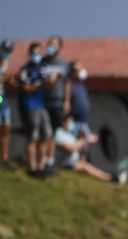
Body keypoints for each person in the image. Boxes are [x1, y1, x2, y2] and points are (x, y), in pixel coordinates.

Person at [19, 42, 53, 177]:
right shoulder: (25, 70)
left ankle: (41, 166)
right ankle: (32, 168)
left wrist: (51, 82)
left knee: (46, 135)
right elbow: (25, 88)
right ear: (29, 54)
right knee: (32, 137)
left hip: (41, 106)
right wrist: (40, 85)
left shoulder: (42, 69)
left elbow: (48, 87)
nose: (36, 56)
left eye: (38, 53)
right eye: (34, 53)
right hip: (30, 106)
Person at [40, 35, 70, 173]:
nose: (50, 46)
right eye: (49, 44)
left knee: (53, 133)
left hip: (57, 103)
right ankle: (41, 162)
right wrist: (49, 82)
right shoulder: (42, 62)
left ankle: (50, 161)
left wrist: (67, 101)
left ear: (59, 47)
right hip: (43, 102)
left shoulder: (64, 65)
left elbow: (67, 84)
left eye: (54, 44)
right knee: (44, 133)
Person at [54, 113, 113, 182]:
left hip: (72, 161)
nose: (72, 124)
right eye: (70, 121)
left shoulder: (68, 133)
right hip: (65, 163)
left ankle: (109, 176)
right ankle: (109, 179)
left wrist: (86, 141)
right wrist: (86, 140)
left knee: (87, 165)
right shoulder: (59, 133)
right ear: (64, 122)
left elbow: (76, 145)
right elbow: (71, 149)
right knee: (86, 167)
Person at [68, 61, 92, 139]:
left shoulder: (81, 85)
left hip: (83, 122)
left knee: (86, 142)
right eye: (79, 70)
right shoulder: (68, 85)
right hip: (73, 122)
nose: (81, 71)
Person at [0, 39, 14, 169]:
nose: (6, 53)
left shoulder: (6, 63)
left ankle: (4, 158)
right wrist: (8, 77)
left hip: (3, 98)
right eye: (5, 49)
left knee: (6, 127)